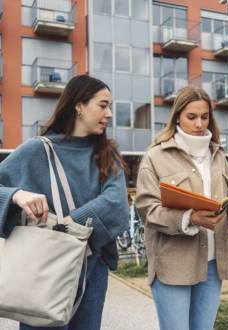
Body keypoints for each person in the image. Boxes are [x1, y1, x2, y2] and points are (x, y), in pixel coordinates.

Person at [0, 74, 130, 330]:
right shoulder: (36, 150)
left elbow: (116, 203)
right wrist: (16, 195)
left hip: (91, 269)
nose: (110, 114)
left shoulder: (107, 155)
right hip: (44, 268)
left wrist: (69, 228)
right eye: (103, 105)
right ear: (79, 106)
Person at [135, 85, 228, 330]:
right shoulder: (155, 156)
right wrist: (190, 217)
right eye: (192, 117)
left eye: (205, 117)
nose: (199, 124)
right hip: (172, 265)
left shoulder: (218, 155)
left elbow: (227, 199)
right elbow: (147, 209)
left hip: (212, 264)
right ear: (177, 116)